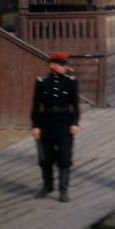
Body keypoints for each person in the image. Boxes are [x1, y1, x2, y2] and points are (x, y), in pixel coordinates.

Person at [31, 52, 80, 202]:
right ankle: (48, 186)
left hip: (65, 123)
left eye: (65, 64)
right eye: (62, 64)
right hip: (46, 123)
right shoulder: (41, 82)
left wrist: (74, 123)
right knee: (45, 158)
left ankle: (63, 190)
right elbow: (35, 106)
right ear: (52, 65)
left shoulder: (71, 81)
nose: (65, 67)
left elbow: (76, 105)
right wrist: (36, 126)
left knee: (64, 158)